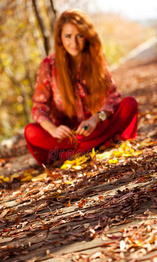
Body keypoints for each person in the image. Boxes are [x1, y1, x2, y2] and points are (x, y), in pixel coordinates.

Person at [25, 9, 138, 165]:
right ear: (60, 38)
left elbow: (112, 97)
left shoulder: (96, 60)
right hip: (66, 137)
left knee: (129, 104)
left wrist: (95, 119)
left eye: (79, 36)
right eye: (68, 36)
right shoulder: (48, 66)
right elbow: (38, 108)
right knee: (31, 132)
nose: (74, 43)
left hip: (96, 128)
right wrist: (53, 130)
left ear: (87, 36)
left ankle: (70, 154)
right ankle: (100, 144)